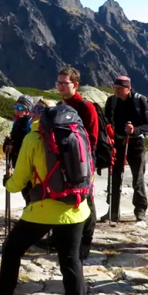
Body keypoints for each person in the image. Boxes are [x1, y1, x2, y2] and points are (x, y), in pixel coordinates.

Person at [0, 103, 91, 295]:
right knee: (71, 260)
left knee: (12, 249)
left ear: (39, 118)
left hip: (42, 208)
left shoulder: (34, 138)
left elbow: (18, 182)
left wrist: (7, 182)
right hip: (76, 208)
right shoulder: (78, 132)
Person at [55, 68, 100, 260]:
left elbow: (93, 138)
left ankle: (85, 243)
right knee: (61, 197)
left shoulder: (86, 107)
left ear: (75, 85)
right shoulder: (60, 105)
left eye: (65, 83)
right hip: (62, 161)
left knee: (86, 200)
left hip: (83, 162)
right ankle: (59, 237)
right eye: (59, 82)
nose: (61, 86)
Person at [103, 76, 148, 222]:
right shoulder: (112, 101)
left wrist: (135, 130)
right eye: (115, 87)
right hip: (117, 143)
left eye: (119, 88)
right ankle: (113, 211)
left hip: (136, 143)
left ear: (128, 88)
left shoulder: (139, 100)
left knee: (138, 178)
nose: (116, 90)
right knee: (114, 177)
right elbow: (106, 121)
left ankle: (140, 210)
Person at [4, 95, 36, 205]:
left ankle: (31, 209)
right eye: (16, 107)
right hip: (17, 157)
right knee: (24, 187)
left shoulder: (29, 123)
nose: (18, 110)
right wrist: (8, 143)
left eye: (22, 108)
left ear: (28, 110)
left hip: (26, 160)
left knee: (28, 187)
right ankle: (29, 207)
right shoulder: (17, 121)